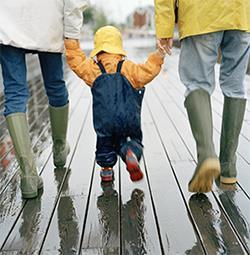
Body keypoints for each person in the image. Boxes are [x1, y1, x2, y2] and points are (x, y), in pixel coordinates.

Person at [155, 0, 250, 192]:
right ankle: (228, 168)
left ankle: (207, 154)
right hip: (240, 13)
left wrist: (165, 28)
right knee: (235, 85)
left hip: (200, 13)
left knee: (197, 82)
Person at [0, 0, 88, 198]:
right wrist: (72, 33)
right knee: (55, 86)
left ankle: (28, 175)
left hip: (6, 21)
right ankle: (59, 147)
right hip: (48, 21)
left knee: (14, 93)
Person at [64, 25, 165, 183]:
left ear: (98, 49)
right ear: (119, 48)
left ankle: (106, 171)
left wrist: (71, 42)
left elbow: (76, 63)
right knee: (133, 140)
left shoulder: (93, 69)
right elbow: (147, 72)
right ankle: (130, 153)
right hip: (128, 118)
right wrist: (158, 56)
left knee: (105, 143)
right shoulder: (128, 67)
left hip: (104, 121)